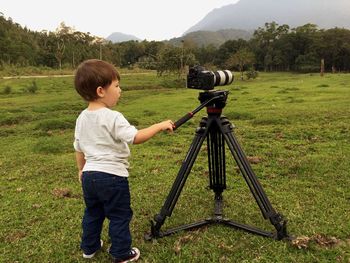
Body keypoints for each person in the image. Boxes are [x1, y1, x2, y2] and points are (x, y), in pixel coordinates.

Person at [73, 59, 173, 262]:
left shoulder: (82, 117)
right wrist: (159, 125)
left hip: (89, 176)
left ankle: (89, 248)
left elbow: (78, 147)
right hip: (112, 177)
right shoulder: (113, 117)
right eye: (117, 86)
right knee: (119, 215)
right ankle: (121, 253)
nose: (120, 90)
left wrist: (81, 170)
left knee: (93, 212)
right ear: (101, 91)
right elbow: (135, 137)